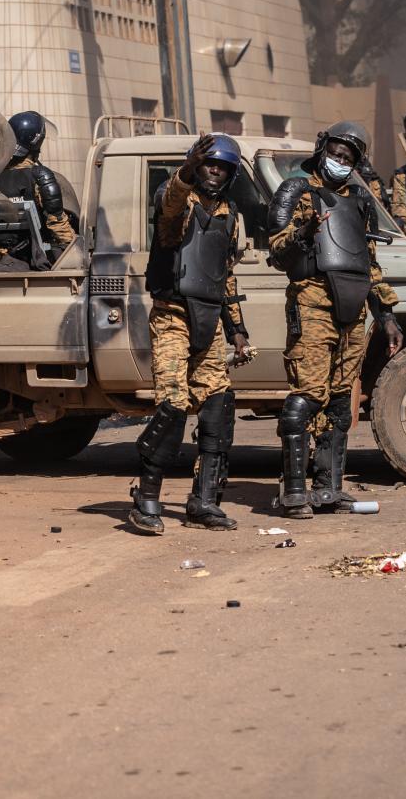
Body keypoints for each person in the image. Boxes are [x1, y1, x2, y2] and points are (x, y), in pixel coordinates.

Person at [268, 121, 403, 518]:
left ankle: (329, 489)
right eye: (336, 153)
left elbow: (370, 263)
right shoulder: (296, 190)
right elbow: (277, 250)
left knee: (342, 401)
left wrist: (387, 313)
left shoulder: (360, 200)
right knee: (308, 396)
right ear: (322, 149)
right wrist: (305, 231)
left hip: (353, 305)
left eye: (349, 158)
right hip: (312, 300)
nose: (340, 162)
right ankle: (294, 492)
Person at [128, 133, 253, 534]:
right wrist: (184, 171)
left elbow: (224, 275)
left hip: (210, 317)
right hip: (172, 315)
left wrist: (237, 329)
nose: (215, 171)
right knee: (173, 404)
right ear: (196, 165)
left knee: (219, 405)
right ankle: (146, 498)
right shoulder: (178, 199)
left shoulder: (231, 214)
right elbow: (169, 203)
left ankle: (204, 501)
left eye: (223, 166)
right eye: (208, 163)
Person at [0, 110, 77, 264]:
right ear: (36, 142)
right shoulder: (40, 176)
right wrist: (78, 251)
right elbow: (59, 227)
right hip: (33, 258)